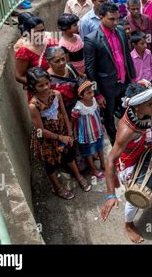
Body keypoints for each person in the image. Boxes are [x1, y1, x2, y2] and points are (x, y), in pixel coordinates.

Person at [99, 80, 152, 243]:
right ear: (136, 106)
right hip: (129, 165)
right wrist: (111, 195)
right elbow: (110, 160)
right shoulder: (126, 131)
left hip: (144, 151)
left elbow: (149, 115)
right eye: (149, 104)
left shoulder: (141, 110)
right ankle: (129, 224)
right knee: (134, 198)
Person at [27, 67, 91, 200]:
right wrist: (60, 137)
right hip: (46, 138)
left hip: (62, 131)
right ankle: (57, 187)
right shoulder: (34, 105)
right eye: (40, 85)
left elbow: (64, 115)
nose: (45, 87)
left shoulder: (56, 94)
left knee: (68, 154)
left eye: (47, 83)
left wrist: (69, 133)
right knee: (50, 163)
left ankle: (78, 176)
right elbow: (40, 130)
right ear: (33, 86)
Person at [84, 2, 136, 145]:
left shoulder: (120, 31)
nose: (115, 22)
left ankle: (129, 142)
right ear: (101, 17)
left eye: (117, 19)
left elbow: (127, 56)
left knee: (128, 114)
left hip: (125, 83)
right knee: (109, 120)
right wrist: (98, 93)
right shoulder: (92, 39)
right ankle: (116, 146)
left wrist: (133, 79)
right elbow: (90, 70)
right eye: (111, 19)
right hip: (107, 89)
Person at [71, 79, 106, 179]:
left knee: (100, 146)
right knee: (88, 151)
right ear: (81, 95)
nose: (92, 94)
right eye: (89, 93)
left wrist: (101, 124)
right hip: (86, 134)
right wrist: (72, 133)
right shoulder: (78, 107)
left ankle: (103, 164)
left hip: (97, 130)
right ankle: (93, 168)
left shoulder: (94, 100)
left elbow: (97, 113)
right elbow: (73, 120)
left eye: (92, 91)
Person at [15, 16, 56, 87]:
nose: (41, 34)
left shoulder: (51, 43)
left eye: (42, 30)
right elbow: (19, 76)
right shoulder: (24, 52)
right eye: (37, 32)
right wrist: (39, 87)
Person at [46, 46, 83, 116]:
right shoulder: (47, 79)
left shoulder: (70, 67)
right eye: (57, 61)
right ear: (49, 63)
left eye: (63, 59)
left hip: (79, 109)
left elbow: (81, 80)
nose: (62, 63)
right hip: (63, 114)